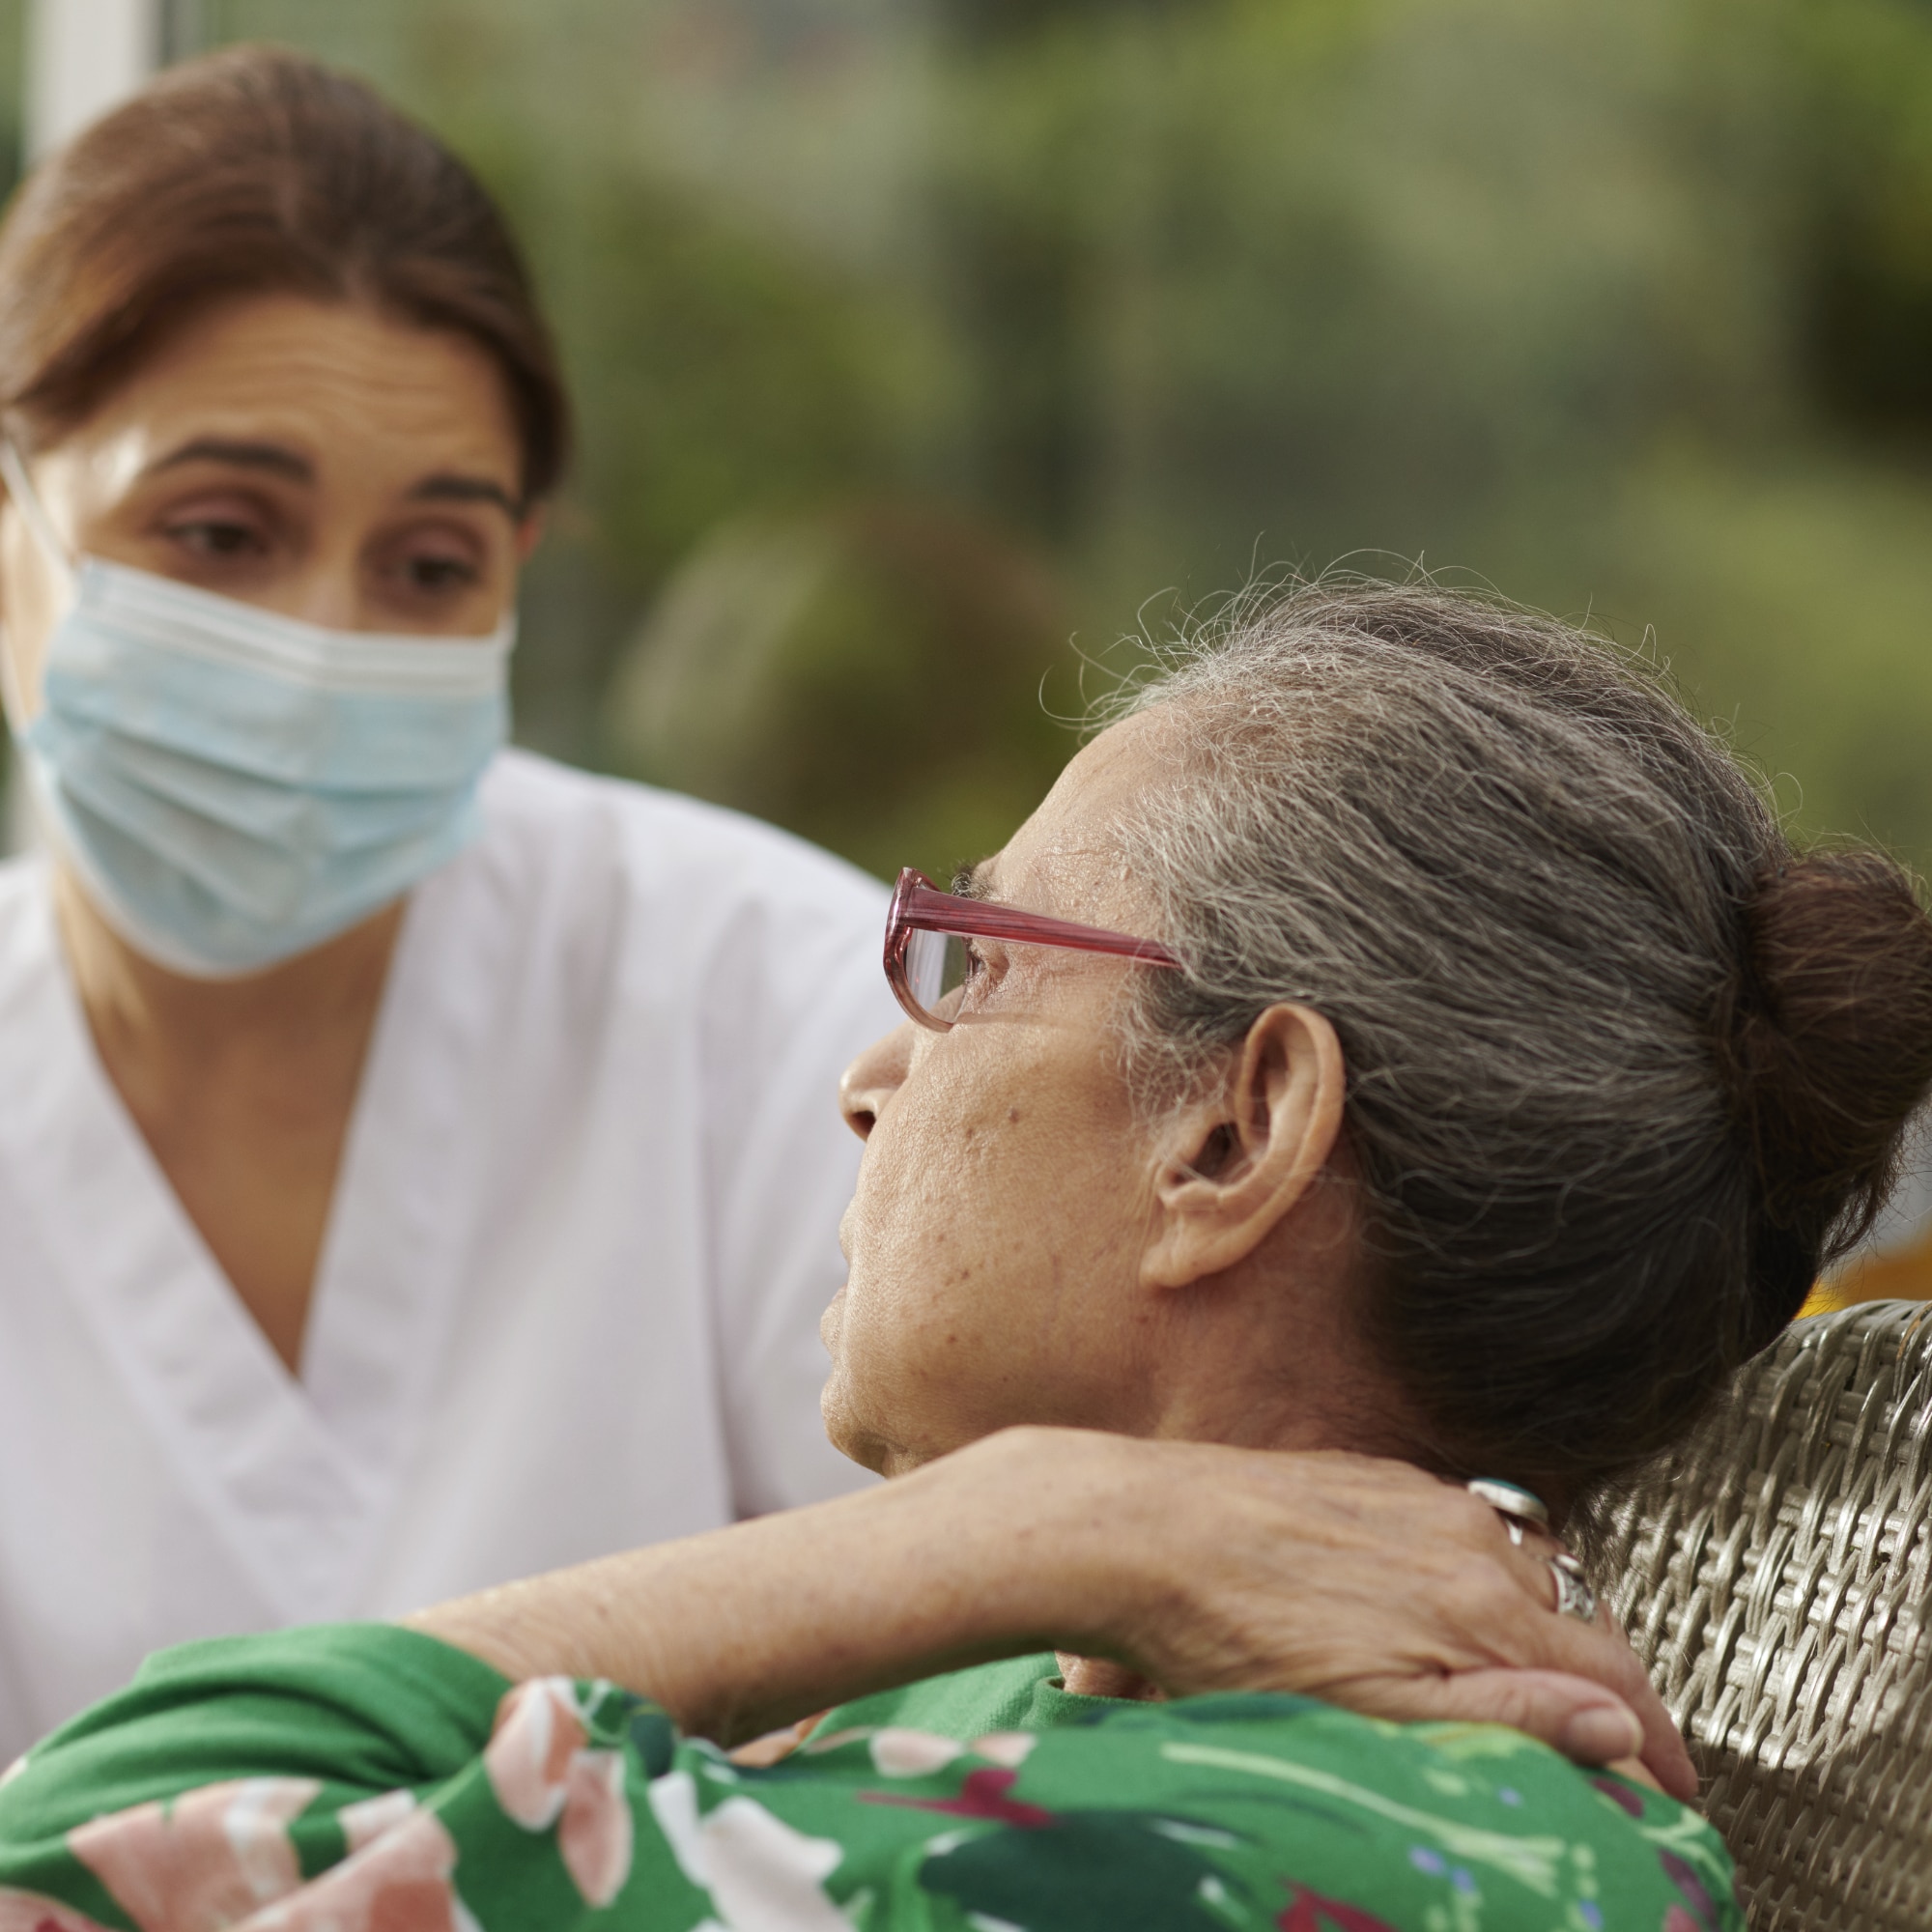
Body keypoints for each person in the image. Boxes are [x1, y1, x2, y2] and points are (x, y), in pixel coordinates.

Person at [4, 582, 1927, 1930]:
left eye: (965, 960)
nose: (865, 1075)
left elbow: (74, 1854)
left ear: (1234, 1129)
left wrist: (1023, 1525)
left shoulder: (1235, 1860)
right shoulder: (1053, 1701)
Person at [0, 43, 900, 1759]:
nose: (322, 648)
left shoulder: (780, 1011)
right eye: (217, 533)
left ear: (516, 576)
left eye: (428, 567)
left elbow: (1027, 1640)